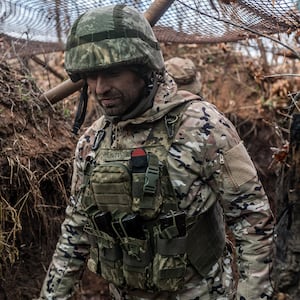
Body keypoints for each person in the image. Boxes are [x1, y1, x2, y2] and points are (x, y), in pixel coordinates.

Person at [39, 4, 274, 300]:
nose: (100, 88)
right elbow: (76, 230)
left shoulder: (204, 127)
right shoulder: (92, 141)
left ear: (143, 67)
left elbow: (253, 220)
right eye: (91, 76)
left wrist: (252, 294)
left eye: (112, 72)